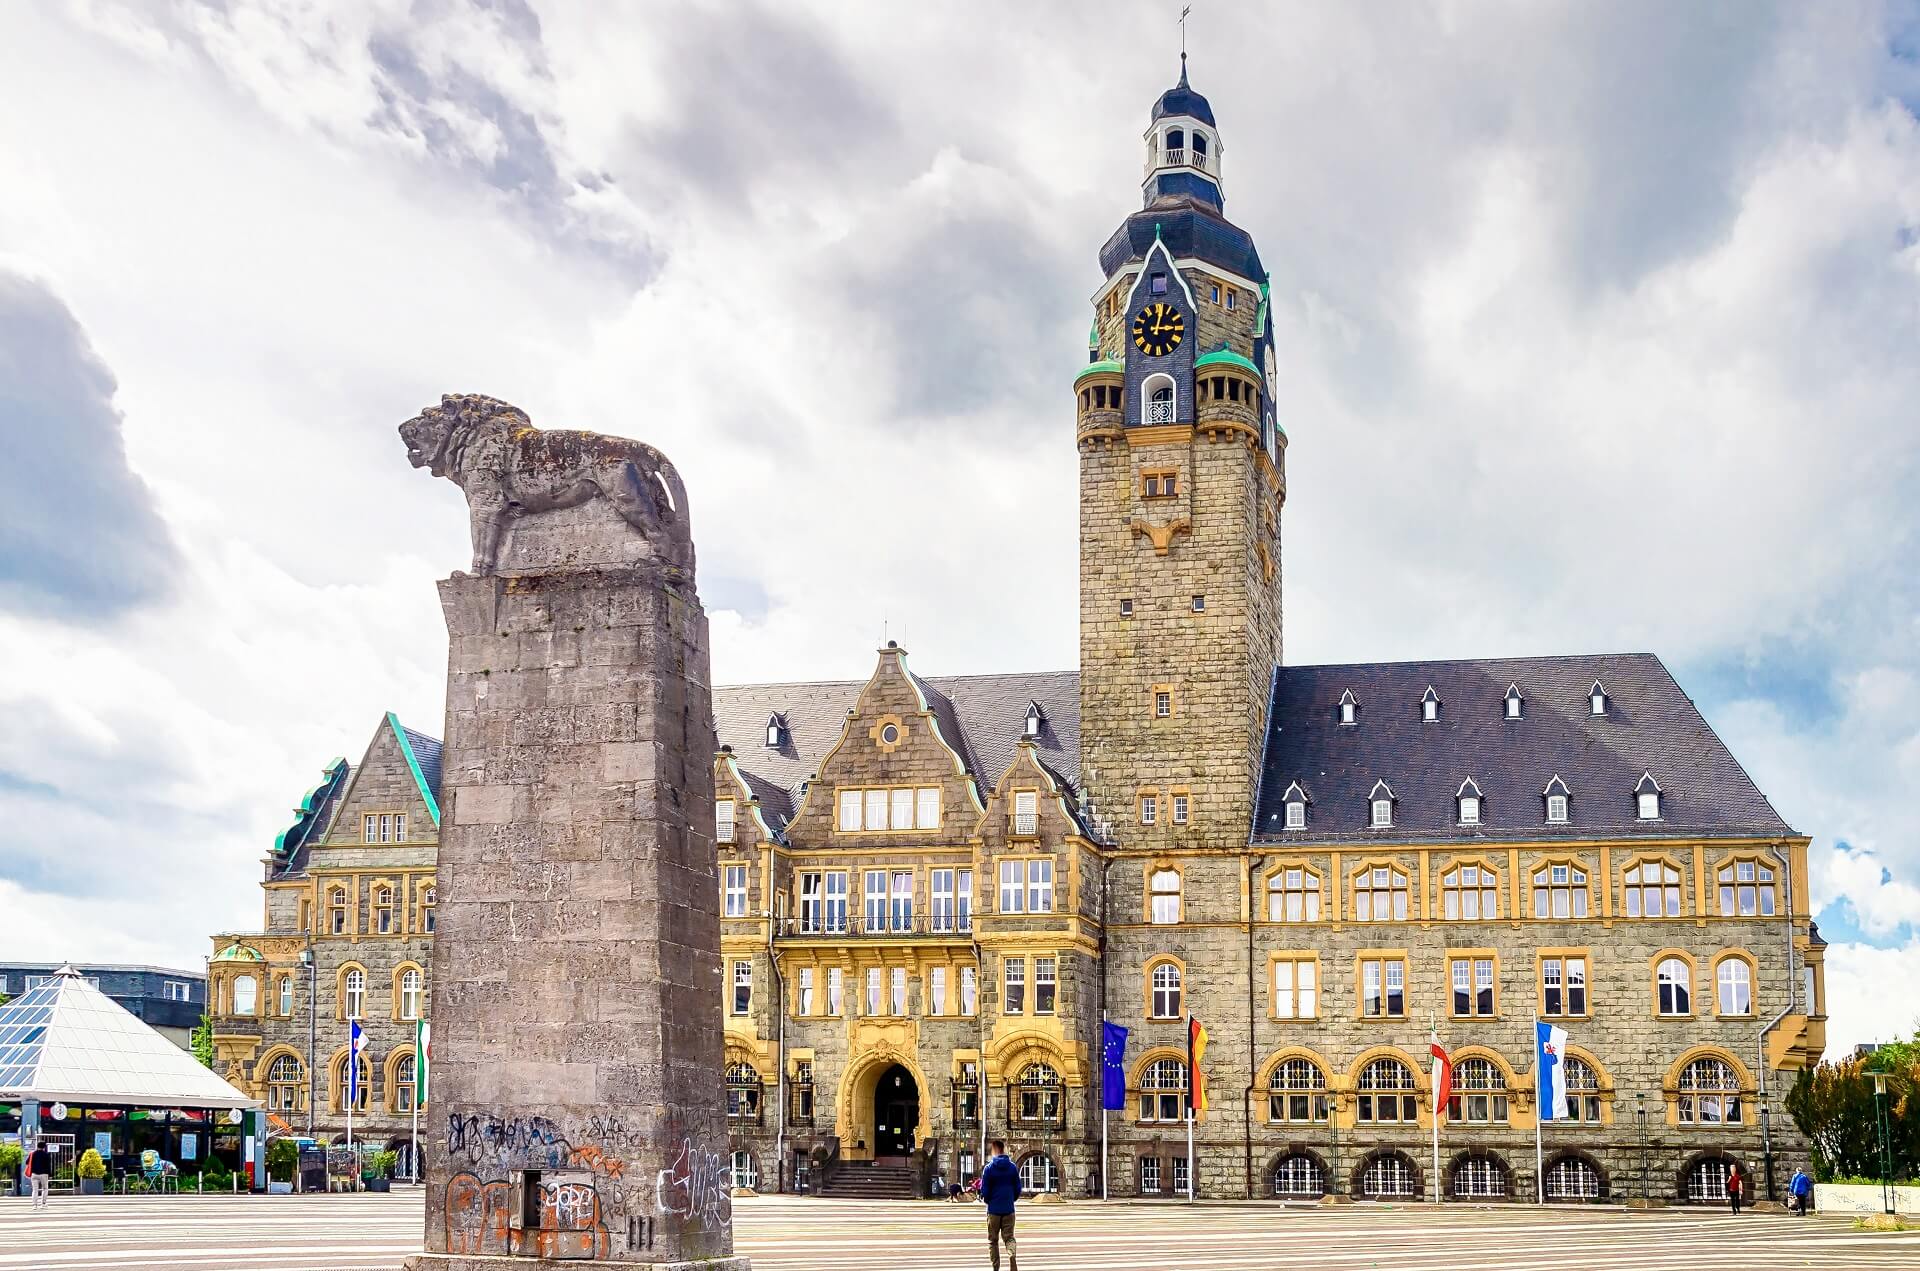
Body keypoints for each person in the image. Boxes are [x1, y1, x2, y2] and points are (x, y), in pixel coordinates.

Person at [980, 1139, 1021, 1271]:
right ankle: (1011, 1256)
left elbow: (985, 1191)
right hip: (1009, 1209)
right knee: (1009, 1238)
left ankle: (995, 1267)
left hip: (993, 1210)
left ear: (995, 1150)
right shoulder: (1012, 1167)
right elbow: (1018, 1189)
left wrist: (988, 1200)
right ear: (1003, 1150)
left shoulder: (989, 1168)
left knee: (993, 1241)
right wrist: (1011, 1199)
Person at [27, 1139, 51, 1209]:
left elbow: (27, 1162)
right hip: (44, 1174)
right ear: (44, 1147)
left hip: (34, 1174)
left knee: (35, 1190)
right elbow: (48, 1165)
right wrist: (50, 1174)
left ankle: (34, 1205)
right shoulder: (46, 1155)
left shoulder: (32, 1154)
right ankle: (43, 1204)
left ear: (37, 1146)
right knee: (45, 1188)